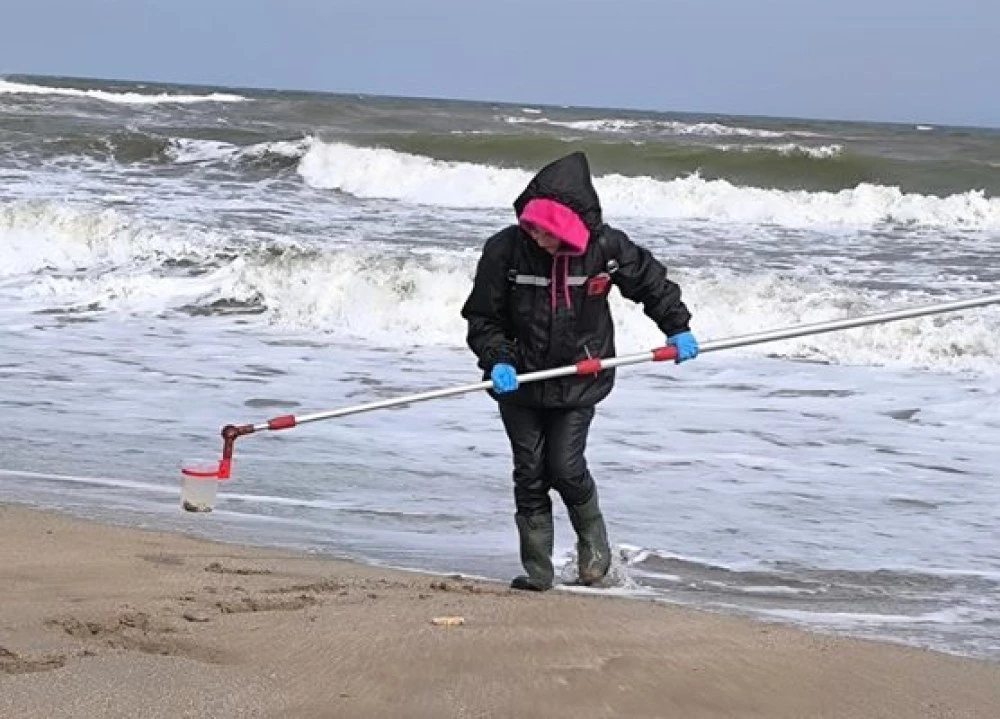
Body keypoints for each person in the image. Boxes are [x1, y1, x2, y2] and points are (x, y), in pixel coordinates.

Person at [461, 151, 698, 591]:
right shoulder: (505, 249)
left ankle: (595, 554)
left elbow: (651, 283)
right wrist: (498, 359)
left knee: (565, 468)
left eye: (546, 232)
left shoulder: (606, 248)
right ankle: (538, 572)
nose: (536, 238)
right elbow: (482, 317)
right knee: (529, 472)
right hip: (519, 381)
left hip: (579, 377)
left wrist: (677, 328)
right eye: (530, 227)